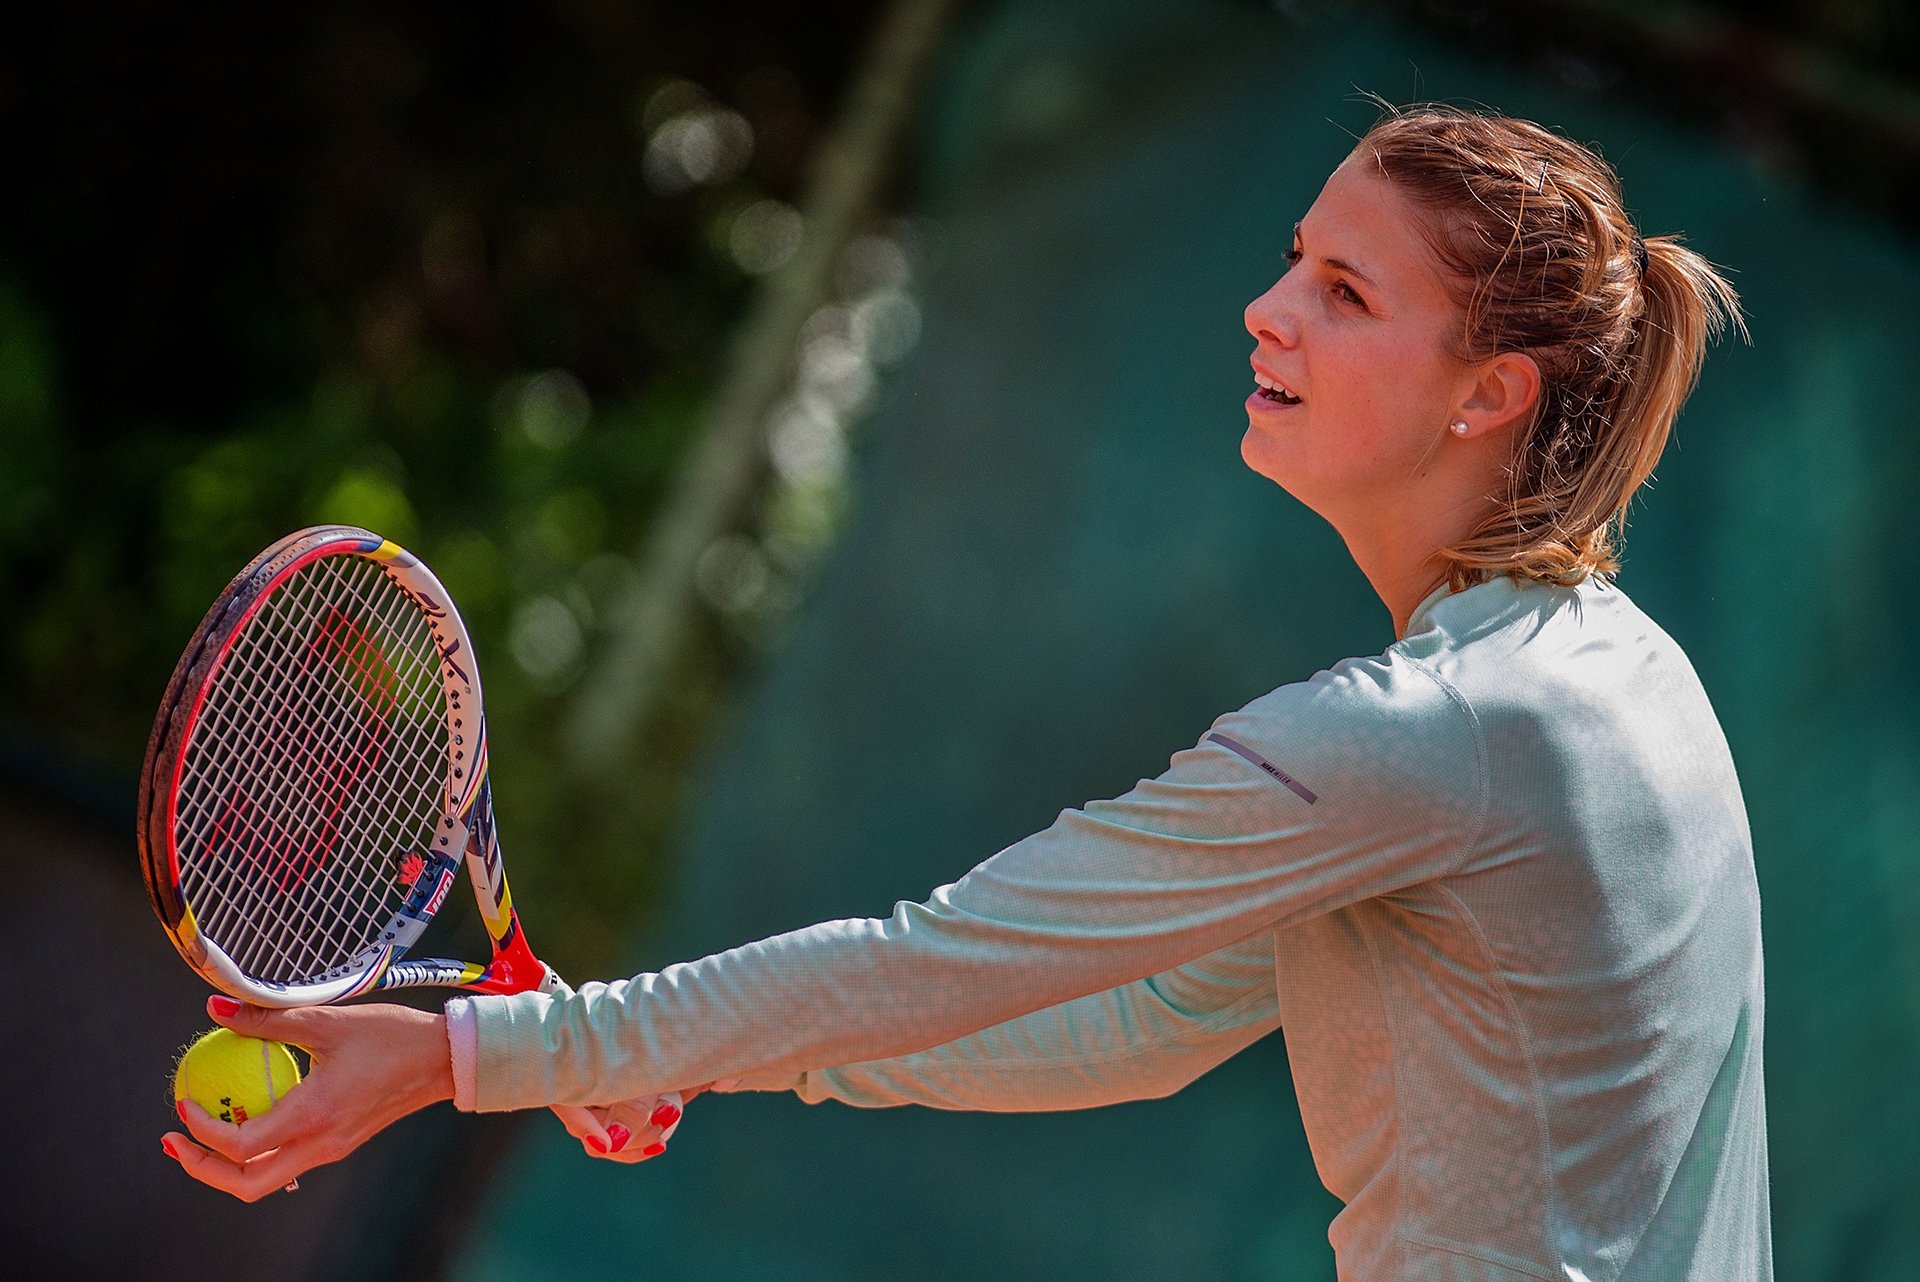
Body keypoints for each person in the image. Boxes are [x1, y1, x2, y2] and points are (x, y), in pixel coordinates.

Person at [163, 102, 1770, 1279]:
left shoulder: (1421, 743)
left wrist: (483, 1055)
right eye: (1295, 261)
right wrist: (636, 1049)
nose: (1266, 309)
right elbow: (1136, 1021)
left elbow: (942, 958)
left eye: (1347, 293)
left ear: (1490, 395)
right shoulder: (1623, 686)